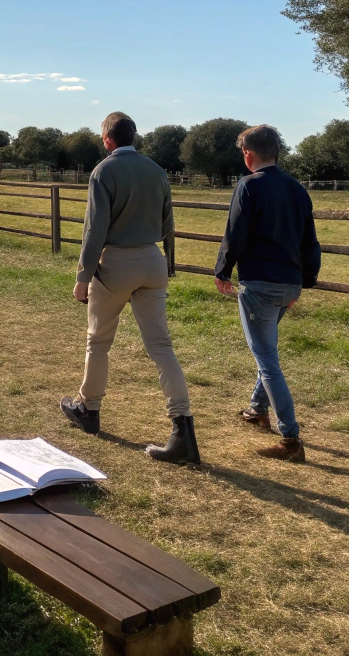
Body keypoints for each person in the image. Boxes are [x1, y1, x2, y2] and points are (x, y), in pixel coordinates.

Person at [60, 112, 199, 464]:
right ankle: (183, 427)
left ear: (107, 139)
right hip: (153, 262)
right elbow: (169, 221)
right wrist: (167, 262)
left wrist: (82, 278)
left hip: (115, 264)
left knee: (99, 341)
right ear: (134, 137)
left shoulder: (103, 171)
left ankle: (89, 410)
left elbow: (95, 230)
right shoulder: (157, 171)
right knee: (161, 345)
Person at [214, 124, 321, 463]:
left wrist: (222, 270)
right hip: (289, 282)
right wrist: (306, 281)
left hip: (260, 283)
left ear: (248, 154)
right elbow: (310, 241)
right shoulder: (297, 189)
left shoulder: (248, 186)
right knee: (268, 350)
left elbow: (235, 232)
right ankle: (258, 410)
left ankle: (290, 439)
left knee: (267, 359)